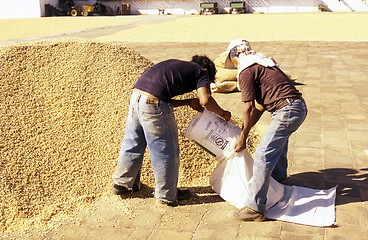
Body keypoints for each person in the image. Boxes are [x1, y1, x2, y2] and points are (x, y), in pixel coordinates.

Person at [112, 55, 231, 206]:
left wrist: (187, 102)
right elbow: (205, 100)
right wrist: (222, 113)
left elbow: (161, 99)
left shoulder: (176, 67)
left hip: (136, 96)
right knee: (165, 149)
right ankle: (167, 194)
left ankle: (122, 183)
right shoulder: (201, 72)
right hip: (152, 101)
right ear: (207, 70)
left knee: (133, 141)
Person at [225, 39, 307, 221]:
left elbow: (248, 108)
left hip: (286, 110)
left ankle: (254, 208)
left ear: (234, 57)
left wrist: (243, 137)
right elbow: (260, 108)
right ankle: (279, 179)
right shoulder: (263, 64)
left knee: (262, 155)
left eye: (232, 63)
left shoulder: (246, 70)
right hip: (297, 107)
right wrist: (245, 130)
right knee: (279, 140)